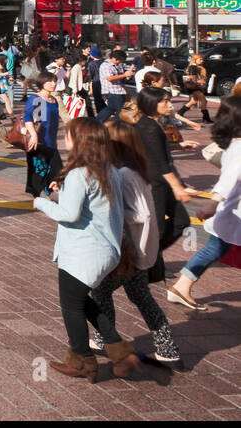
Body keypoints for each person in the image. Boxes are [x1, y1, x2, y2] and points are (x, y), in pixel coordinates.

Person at [33, 117, 123, 381]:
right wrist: (64, 190)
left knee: (71, 305)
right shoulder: (108, 169)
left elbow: (69, 214)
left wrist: (41, 203)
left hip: (83, 251)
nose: (65, 139)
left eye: (68, 135)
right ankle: (119, 349)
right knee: (81, 301)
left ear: (79, 140)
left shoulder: (79, 172)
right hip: (105, 248)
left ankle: (83, 361)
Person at [92, 119, 181, 366]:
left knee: (99, 292)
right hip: (139, 250)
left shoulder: (125, 174)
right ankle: (168, 349)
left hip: (131, 252)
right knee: (141, 296)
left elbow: (142, 214)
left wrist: (112, 211)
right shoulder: (136, 170)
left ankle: (104, 340)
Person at [167, 95, 241, 311]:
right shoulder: (239, 149)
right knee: (213, 249)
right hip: (233, 211)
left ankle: (182, 285)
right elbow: (229, 179)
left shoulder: (234, 145)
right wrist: (213, 202)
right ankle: (181, 286)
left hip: (231, 212)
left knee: (214, 249)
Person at [132, 86, 194, 288]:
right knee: (157, 229)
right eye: (164, 101)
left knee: (181, 221)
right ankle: (145, 262)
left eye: (169, 100)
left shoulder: (153, 124)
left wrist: (178, 146)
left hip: (161, 182)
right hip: (154, 184)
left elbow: (156, 150)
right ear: (152, 104)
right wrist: (178, 187)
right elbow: (159, 161)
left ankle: (150, 259)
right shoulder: (148, 126)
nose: (169, 105)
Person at [23, 74, 63, 198]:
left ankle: (48, 192)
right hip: (38, 142)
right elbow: (29, 118)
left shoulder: (53, 100)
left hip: (50, 141)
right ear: (42, 83)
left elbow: (45, 120)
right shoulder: (37, 99)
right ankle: (37, 198)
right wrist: (34, 135)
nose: (53, 84)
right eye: (50, 81)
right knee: (38, 172)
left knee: (56, 170)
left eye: (55, 81)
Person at [96, 49, 133, 122]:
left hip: (119, 90)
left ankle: (97, 122)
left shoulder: (118, 65)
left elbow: (120, 78)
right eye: (121, 60)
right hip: (111, 91)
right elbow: (109, 78)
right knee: (120, 109)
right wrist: (124, 75)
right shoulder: (106, 65)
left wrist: (126, 77)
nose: (121, 62)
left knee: (111, 108)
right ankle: (118, 125)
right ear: (115, 59)